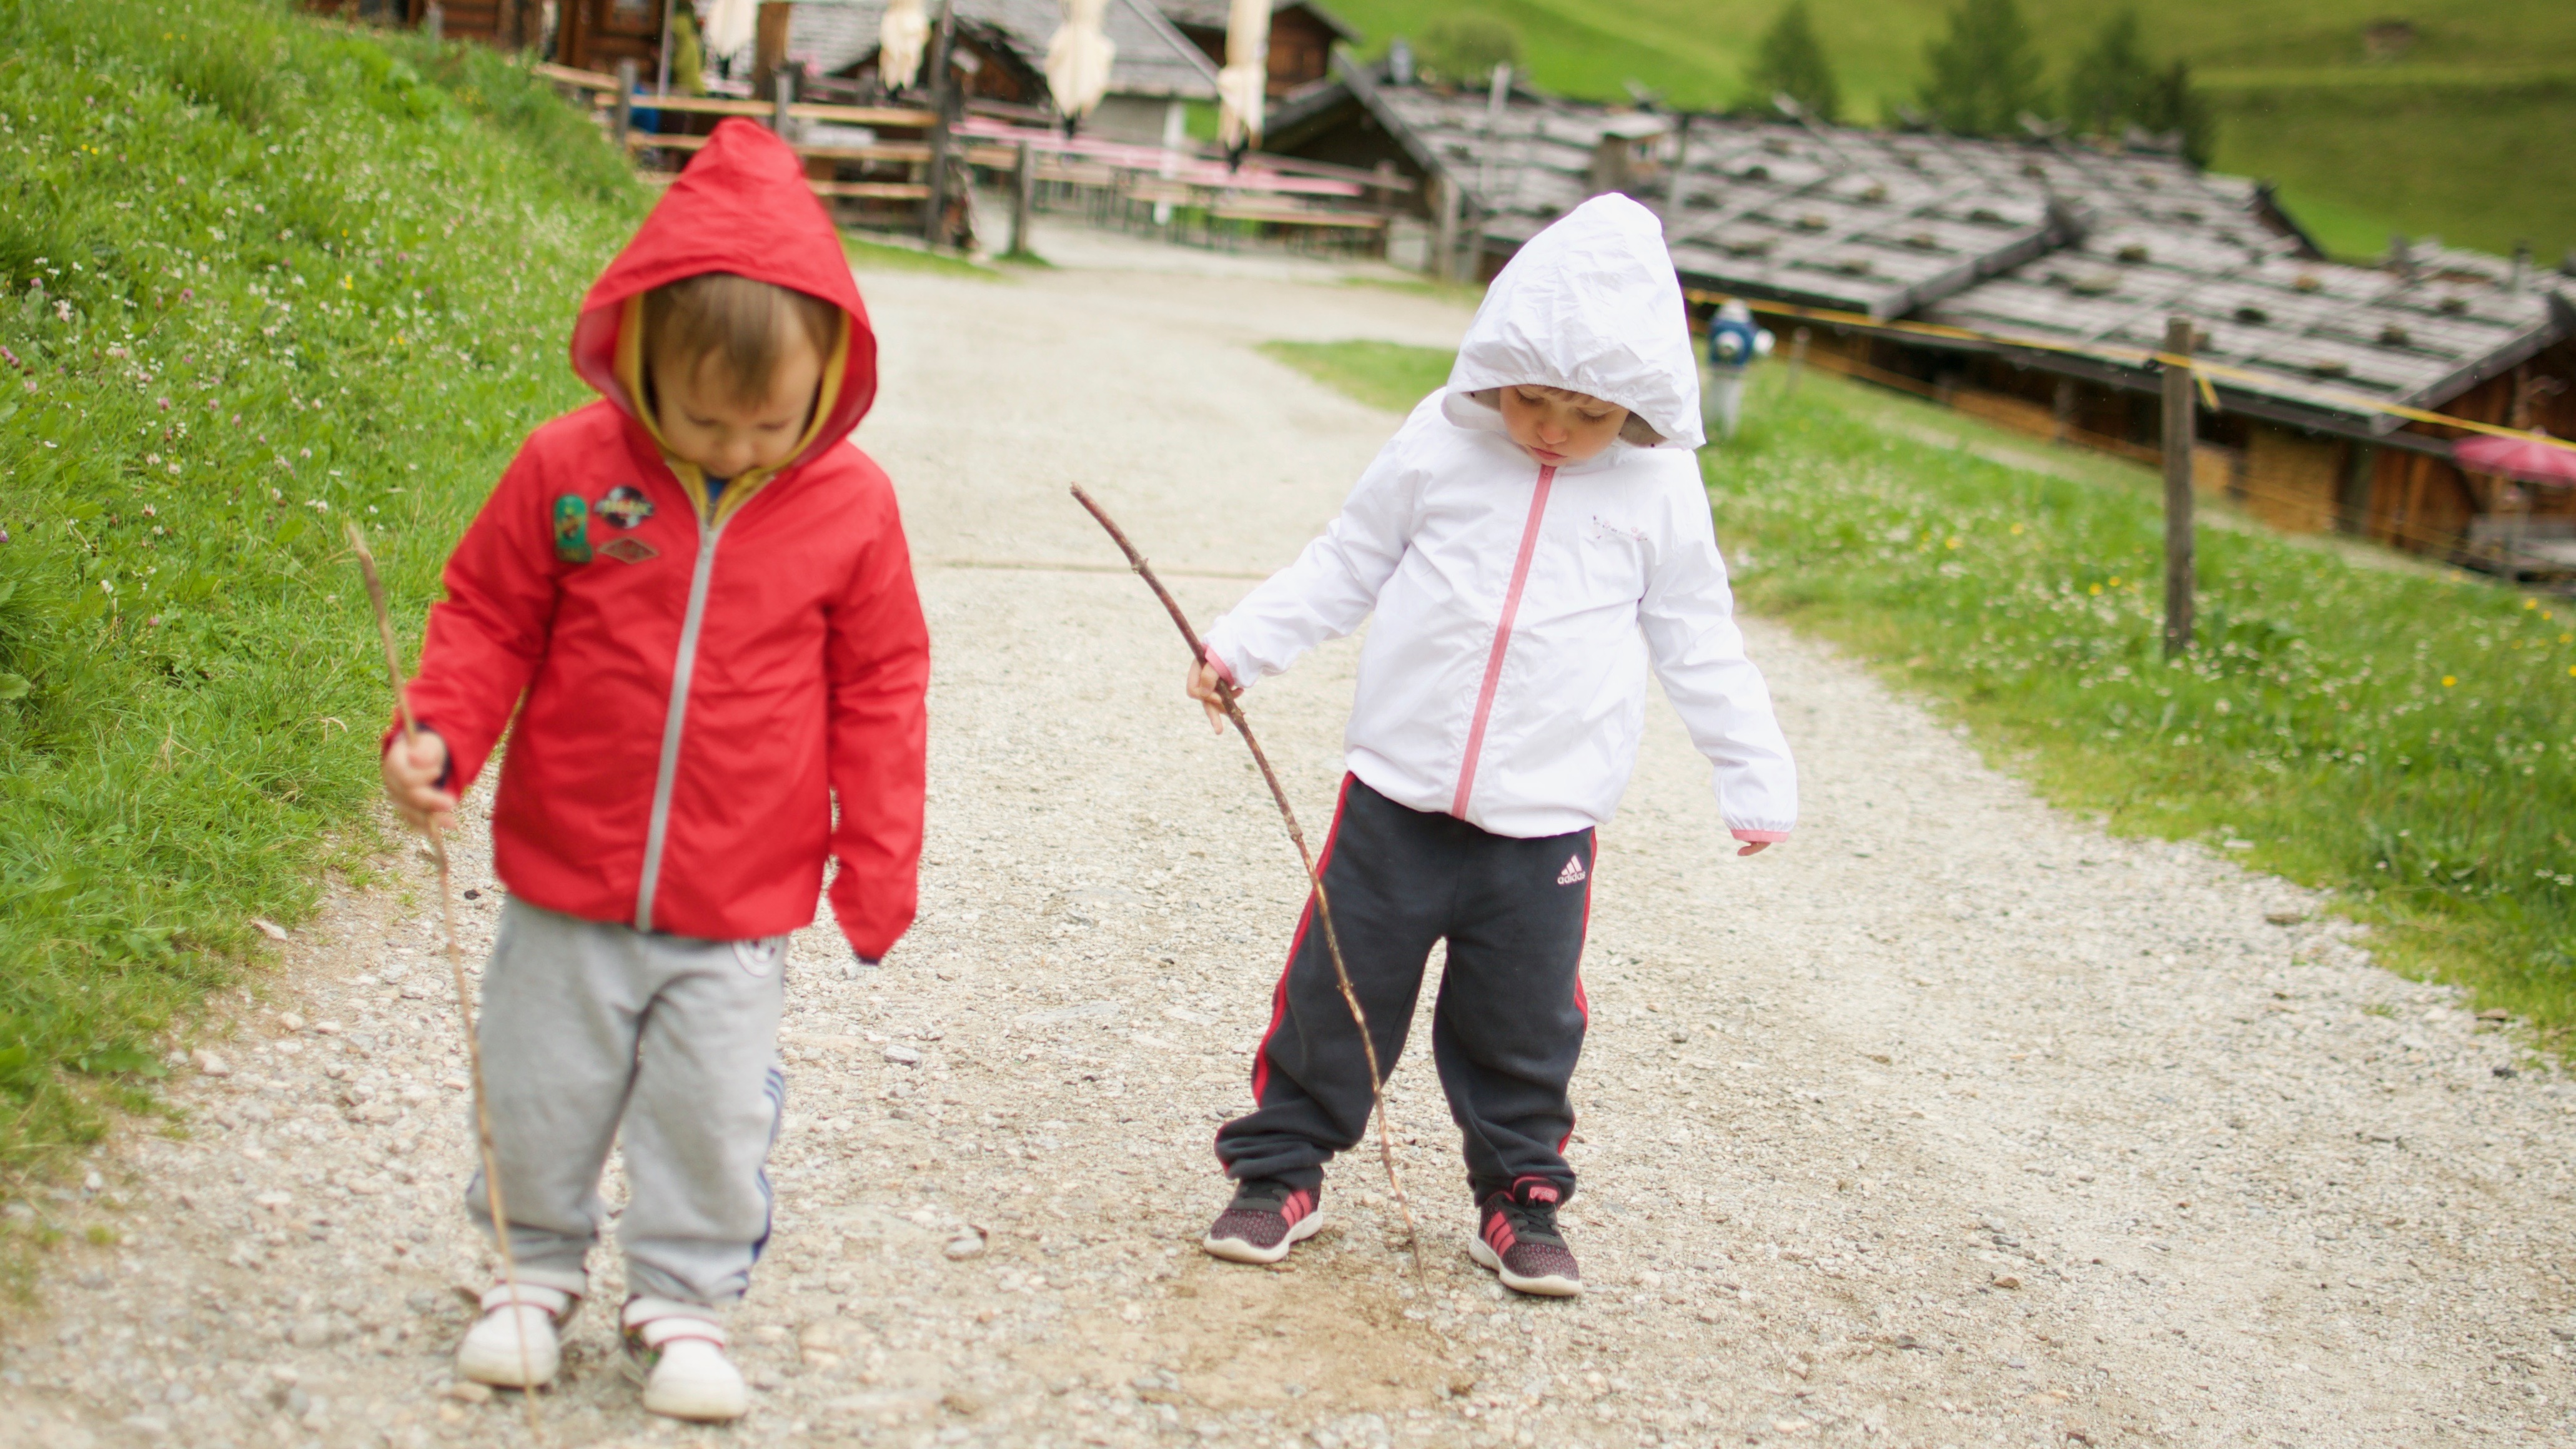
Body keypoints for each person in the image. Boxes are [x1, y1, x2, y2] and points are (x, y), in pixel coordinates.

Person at [379, 120, 929, 1420]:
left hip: (739, 893)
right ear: (636, 357)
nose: (737, 444)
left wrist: (879, 852)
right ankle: (529, 1271)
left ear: (830, 374)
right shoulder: (570, 471)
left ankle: (683, 1296)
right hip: (567, 876)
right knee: (539, 1082)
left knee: (710, 1107)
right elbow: (487, 614)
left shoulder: (852, 507)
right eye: (702, 415)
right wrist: (442, 731)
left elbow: (883, 686)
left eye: (772, 420)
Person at [1186, 194, 1796, 1297]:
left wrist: (1753, 776)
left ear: (1643, 405)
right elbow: (1345, 562)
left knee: (1523, 1022)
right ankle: (1280, 1173)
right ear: (1496, 365)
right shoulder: (1441, 440)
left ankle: (1519, 1201)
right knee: (1337, 990)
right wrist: (1241, 648)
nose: (1552, 430)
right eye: (1530, 398)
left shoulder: (1660, 487)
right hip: (1396, 797)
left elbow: (1700, 639)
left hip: (1544, 823)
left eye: (1589, 413)